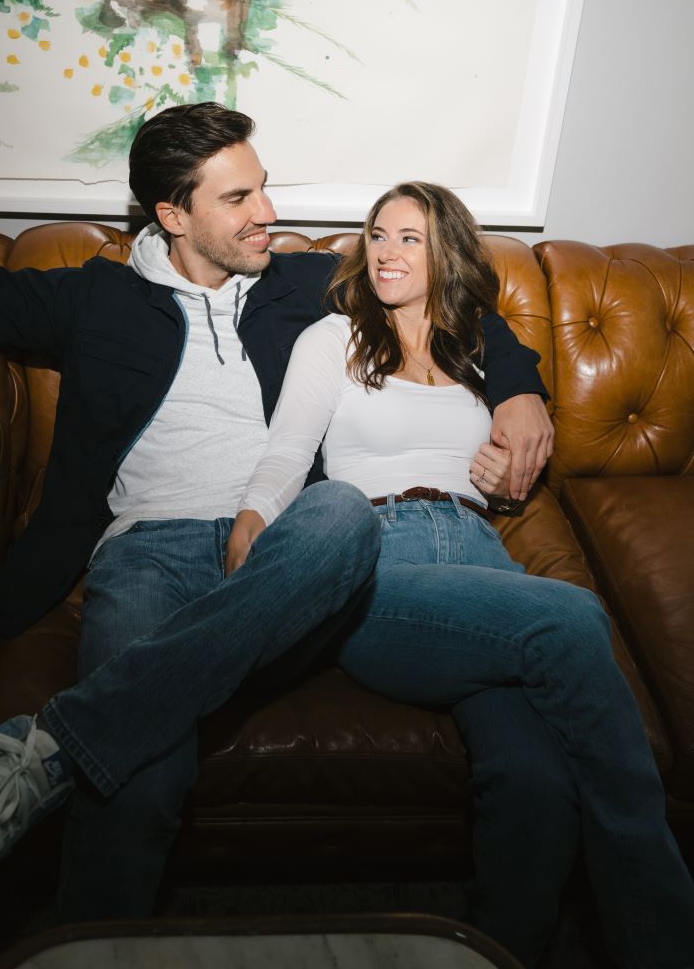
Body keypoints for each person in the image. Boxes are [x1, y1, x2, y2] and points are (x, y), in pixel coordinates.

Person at [0, 105, 553, 968]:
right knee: (140, 779)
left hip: (296, 548)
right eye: (239, 197)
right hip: (150, 552)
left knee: (343, 512)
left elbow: (451, 294)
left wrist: (518, 388)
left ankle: (39, 757)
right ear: (174, 215)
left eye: (264, 188)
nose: (266, 213)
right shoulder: (92, 297)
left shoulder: (305, 283)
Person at [226, 180, 694, 969]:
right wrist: (251, 523)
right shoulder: (331, 341)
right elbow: (285, 452)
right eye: (378, 234)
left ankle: (502, 946)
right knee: (573, 618)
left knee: (535, 783)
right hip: (377, 561)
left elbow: (504, 470)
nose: (387, 252)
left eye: (410, 238)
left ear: (447, 253)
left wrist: (506, 481)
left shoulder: (480, 349)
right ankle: (664, 932)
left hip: (479, 558)